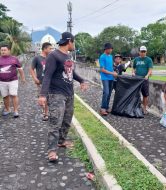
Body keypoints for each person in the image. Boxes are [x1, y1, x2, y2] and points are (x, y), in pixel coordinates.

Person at [38, 32, 88, 162]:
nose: (74, 44)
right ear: (70, 41)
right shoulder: (53, 56)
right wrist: (43, 95)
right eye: (74, 42)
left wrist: (82, 80)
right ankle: (52, 151)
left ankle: (61, 141)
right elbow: (47, 76)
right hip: (56, 94)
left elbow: (71, 73)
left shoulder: (68, 56)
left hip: (69, 93)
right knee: (55, 122)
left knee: (67, 119)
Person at [0, 44, 26, 118]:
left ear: (9, 50)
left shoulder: (14, 59)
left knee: (13, 95)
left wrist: (23, 78)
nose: (3, 51)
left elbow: (20, 69)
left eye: (5, 50)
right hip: (2, 81)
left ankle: (15, 111)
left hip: (13, 81)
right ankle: (8, 110)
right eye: (1, 50)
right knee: (5, 96)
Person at [30, 42, 52, 121]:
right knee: (43, 98)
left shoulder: (51, 58)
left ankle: (47, 113)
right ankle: (46, 112)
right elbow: (31, 69)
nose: (51, 50)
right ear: (45, 49)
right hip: (41, 82)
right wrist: (35, 78)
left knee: (50, 98)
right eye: (50, 48)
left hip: (51, 82)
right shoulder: (37, 58)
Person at [132, 46, 153, 114]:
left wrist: (147, 75)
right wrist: (133, 72)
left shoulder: (149, 60)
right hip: (137, 79)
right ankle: (136, 108)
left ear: (146, 52)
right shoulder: (136, 59)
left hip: (144, 79)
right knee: (136, 94)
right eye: (142, 51)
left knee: (145, 95)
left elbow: (150, 70)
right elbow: (133, 68)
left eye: (144, 51)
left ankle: (144, 109)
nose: (143, 53)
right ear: (139, 52)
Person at [99, 43, 117, 116]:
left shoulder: (110, 56)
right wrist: (112, 73)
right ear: (106, 49)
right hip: (105, 78)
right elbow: (102, 70)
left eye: (111, 49)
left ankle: (106, 107)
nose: (111, 50)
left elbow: (110, 67)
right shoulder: (102, 57)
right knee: (106, 92)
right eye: (110, 49)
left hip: (111, 78)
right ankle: (103, 108)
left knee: (109, 93)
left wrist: (114, 72)